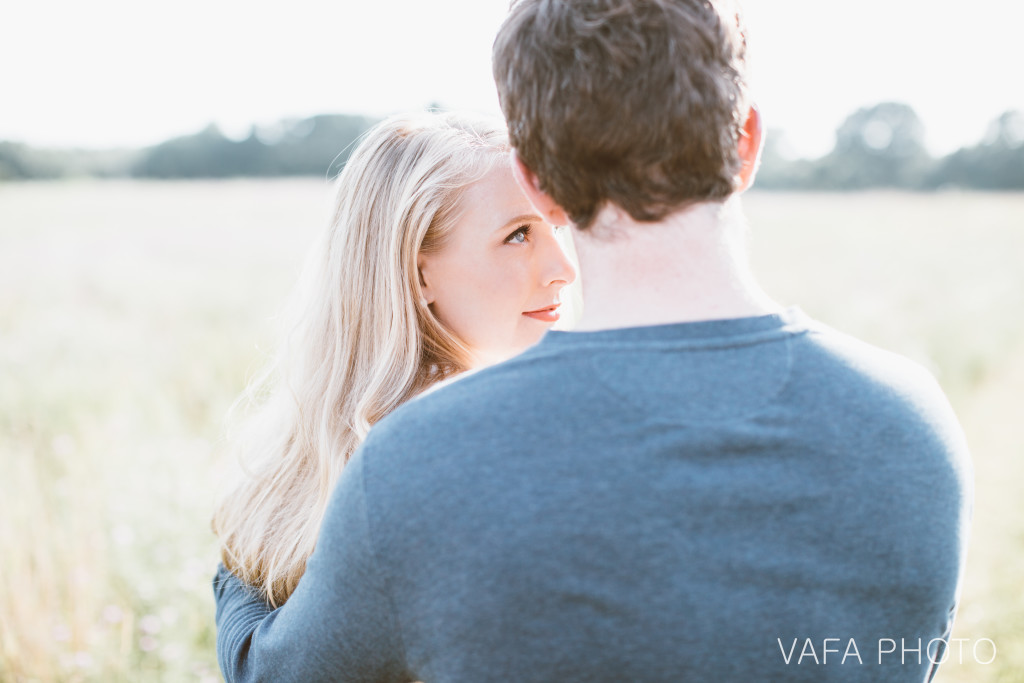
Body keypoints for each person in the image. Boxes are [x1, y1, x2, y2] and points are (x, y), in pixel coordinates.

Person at [214, 1, 973, 681]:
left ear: (537, 180)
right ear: (746, 142)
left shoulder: (420, 465)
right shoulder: (912, 424)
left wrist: (239, 565)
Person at [211, 110, 576, 609]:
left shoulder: (305, 452)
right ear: (416, 272)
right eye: (519, 235)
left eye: (558, 228)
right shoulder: (458, 455)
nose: (564, 269)